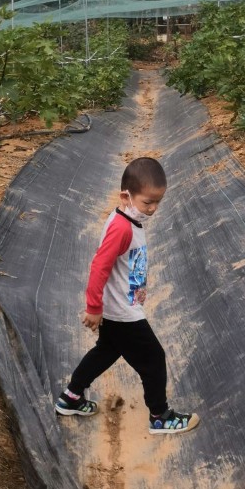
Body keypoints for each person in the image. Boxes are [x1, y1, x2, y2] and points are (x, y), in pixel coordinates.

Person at [55, 156, 199, 435]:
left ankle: (71, 398)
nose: (153, 208)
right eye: (147, 202)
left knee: (106, 351)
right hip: (122, 312)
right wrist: (93, 306)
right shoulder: (121, 228)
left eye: (158, 202)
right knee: (154, 358)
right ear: (126, 195)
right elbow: (99, 266)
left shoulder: (129, 219)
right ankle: (160, 416)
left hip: (121, 306)